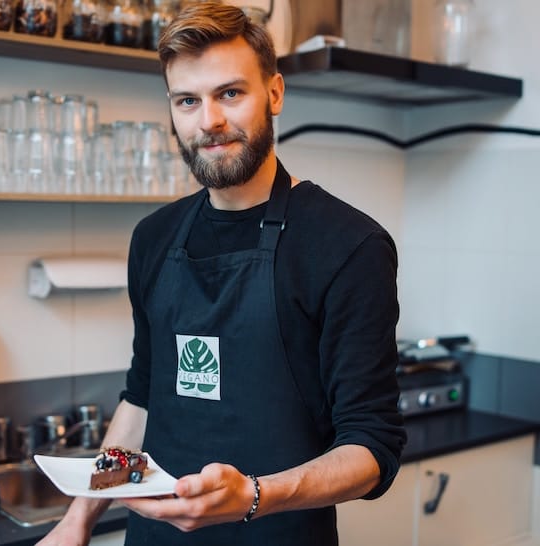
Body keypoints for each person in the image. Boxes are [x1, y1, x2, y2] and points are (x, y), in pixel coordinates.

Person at [37, 3, 406, 545]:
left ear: (274, 93)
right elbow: (141, 399)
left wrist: (254, 496)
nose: (208, 120)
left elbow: (372, 447)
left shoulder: (349, 245)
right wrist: (78, 521)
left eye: (230, 93)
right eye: (188, 100)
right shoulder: (154, 238)